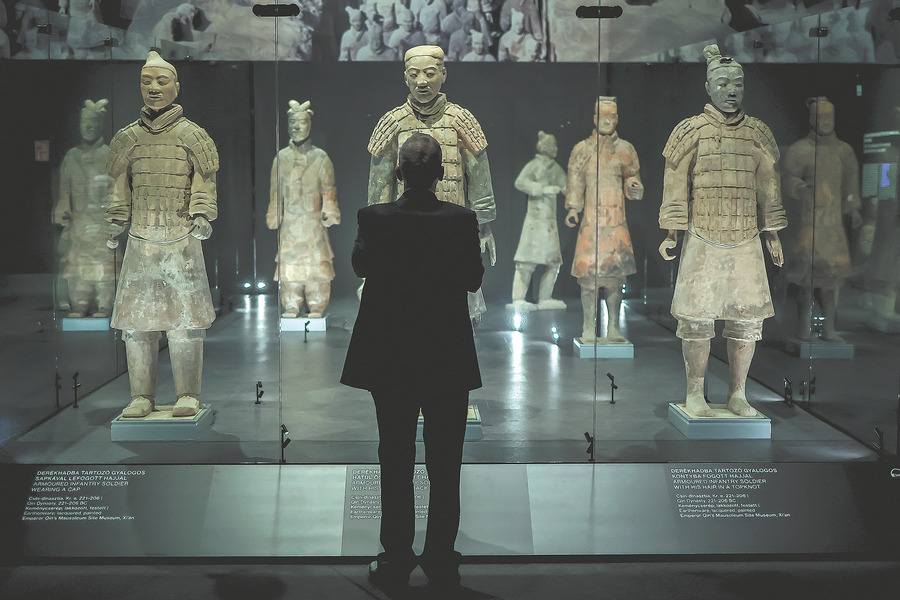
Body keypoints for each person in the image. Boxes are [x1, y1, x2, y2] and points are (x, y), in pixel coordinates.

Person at [342, 133, 483, 590]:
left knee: (395, 454)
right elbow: (471, 278)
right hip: (445, 353)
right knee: (446, 459)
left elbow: (360, 268)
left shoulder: (374, 217)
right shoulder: (461, 220)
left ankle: (396, 555)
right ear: (442, 173)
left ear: (398, 172)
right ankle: (440, 555)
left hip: (392, 354)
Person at [659, 45, 786, 418]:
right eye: (723, 82)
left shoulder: (758, 133)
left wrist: (772, 232)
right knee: (697, 318)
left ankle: (738, 394)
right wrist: (672, 232)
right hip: (703, 235)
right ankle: (695, 394)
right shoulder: (690, 130)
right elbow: (675, 182)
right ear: (708, 86)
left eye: (738, 83)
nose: (731, 90)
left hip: (746, 236)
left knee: (746, 319)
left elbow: (768, 186)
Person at [106, 51, 218, 418]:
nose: (153, 88)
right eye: (147, 81)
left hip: (181, 239)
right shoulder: (127, 139)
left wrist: (201, 213)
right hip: (141, 240)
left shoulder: (193, 136)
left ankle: (188, 393)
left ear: (176, 87)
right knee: (138, 325)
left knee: (185, 323)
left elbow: (204, 181)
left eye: (161, 81)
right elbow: (119, 188)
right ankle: (142, 395)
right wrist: (116, 220)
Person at [367, 44, 496, 321]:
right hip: (404, 231)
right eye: (414, 75)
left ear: (443, 74)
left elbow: (479, 177)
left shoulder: (461, 120)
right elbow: (379, 190)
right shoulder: (392, 122)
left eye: (429, 73)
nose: (422, 81)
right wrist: (376, 234)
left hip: (452, 229)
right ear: (405, 78)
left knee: (455, 312)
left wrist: (484, 227)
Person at [566, 97, 643, 342]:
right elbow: (575, 181)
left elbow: (633, 177)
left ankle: (613, 329)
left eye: (612, 116)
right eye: (603, 116)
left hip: (616, 220)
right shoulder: (582, 149)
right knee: (588, 279)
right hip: (591, 221)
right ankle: (588, 328)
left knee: (614, 278)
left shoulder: (626, 149)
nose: (608, 120)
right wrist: (573, 208)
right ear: (595, 117)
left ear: (617, 118)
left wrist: (634, 187)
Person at [266, 100, 340, 318]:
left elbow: (329, 189)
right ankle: (292, 304)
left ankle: (317, 303)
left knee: (316, 266)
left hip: (312, 221)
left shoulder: (320, 157)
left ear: (309, 124)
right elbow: (275, 192)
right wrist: (274, 214)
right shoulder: (281, 158)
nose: (297, 128)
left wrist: (330, 211)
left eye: (301, 123)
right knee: (290, 268)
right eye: (292, 123)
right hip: (290, 223)